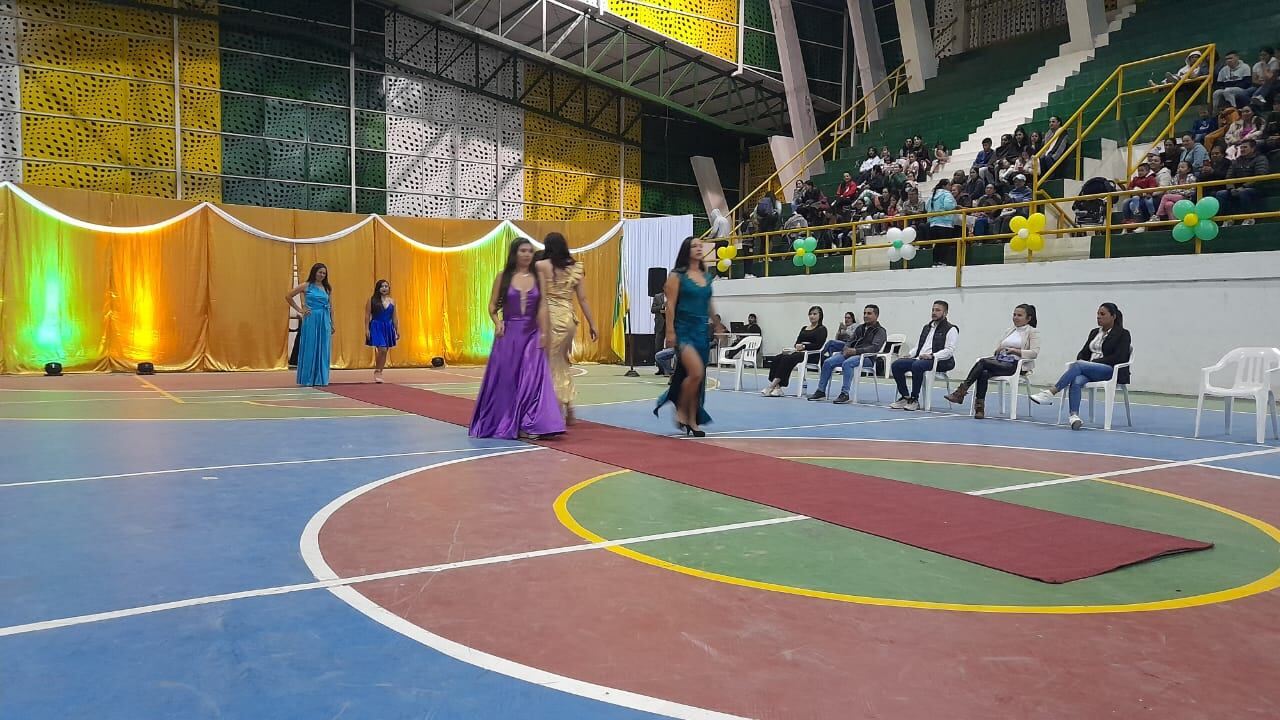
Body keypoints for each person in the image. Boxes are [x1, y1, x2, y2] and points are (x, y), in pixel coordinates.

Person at [469, 238, 564, 440]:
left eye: (530, 251)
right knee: (508, 380)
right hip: (509, 335)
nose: (527, 254)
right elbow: (492, 305)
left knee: (532, 378)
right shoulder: (503, 277)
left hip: (532, 332)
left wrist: (545, 332)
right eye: (523, 250)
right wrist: (497, 322)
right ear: (515, 253)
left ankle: (530, 423)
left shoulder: (538, 277)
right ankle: (509, 422)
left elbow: (543, 306)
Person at [1031, 303, 1133, 430]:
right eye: (1097, 314)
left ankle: (1051, 392)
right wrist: (1084, 362)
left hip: (1109, 370)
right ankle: (1074, 417)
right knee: (1076, 380)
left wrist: (1092, 363)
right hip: (1089, 369)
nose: (1098, 317)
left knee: (1079, 365)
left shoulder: (1123, 334)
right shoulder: (1095, 332)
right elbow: (1084, 352)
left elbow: (1120, 357)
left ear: (1113, 316)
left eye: (1102, 314)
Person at [655, 236, 716, 436]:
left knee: (698, 378)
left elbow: (709, 303)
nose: (699, 249)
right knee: (696, 372)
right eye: (694, 246)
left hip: (701, 331)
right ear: (686, 251)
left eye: (701, 246)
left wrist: (717, 323)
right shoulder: (677, 276)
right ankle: (681, 409)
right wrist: (670, 331)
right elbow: (670, 305)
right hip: (683, 330)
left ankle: (692, 418)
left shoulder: (706, 276)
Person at [536, 232, 598, 424]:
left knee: (551, 364)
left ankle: (556, 410)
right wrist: (593, 324)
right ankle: (569, 408)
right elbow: (583, 299)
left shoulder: (541, 266)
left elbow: (541, 298)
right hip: (569, 319)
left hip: (550, 319)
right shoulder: (576, 267)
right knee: (561, 362)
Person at [943, 304, 1041, 419]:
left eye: (1019, 315)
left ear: (1028, 318)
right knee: (983, 373)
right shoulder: (1009, 331)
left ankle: (960, 392)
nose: (1015, 317)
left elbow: (1034, 353)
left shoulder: (1032, 332)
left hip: (1015, 365)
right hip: (1001, 361)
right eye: (1014, 315)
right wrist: (998, 350)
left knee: (982, 362)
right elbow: (997, 350)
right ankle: (979, 409)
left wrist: (1015, 351)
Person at [808, 304, 888, 404]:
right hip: (852, 354)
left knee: (848, 363)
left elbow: (874, 347)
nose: (866, 315)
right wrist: (846, 348)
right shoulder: (860, 328)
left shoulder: (880, 331)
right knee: (828, 362)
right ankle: (820, 391)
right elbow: (850, 341)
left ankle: (844, 394)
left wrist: (856, 351)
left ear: (876, 315)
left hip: (867, 358)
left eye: (869, 313)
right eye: (864, 313)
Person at [889, 300, 958, 411]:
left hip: (940, 361)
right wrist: (910, 354)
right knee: (897, 365)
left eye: (938, 310)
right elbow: (919, 346)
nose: (934, 312)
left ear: (945, 313)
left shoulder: (951, 329)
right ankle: (905, 397)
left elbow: (949, 351)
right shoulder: (927, 327)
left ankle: (914, 399)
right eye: (933, 310)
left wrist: (932, 355)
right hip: (920, 359)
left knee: (917, 365)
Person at [760, 306, 827, 397]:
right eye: (810, 314)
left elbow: (818, 345)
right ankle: (778, 387)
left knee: (788, 359)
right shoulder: (804, 328)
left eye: (815, 314)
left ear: (820, 316)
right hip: (800, 352)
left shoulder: (822, 329)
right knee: (778, 358)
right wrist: (797, 346)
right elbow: (797, 342)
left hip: (812, 354)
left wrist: (804, 346)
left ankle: (771, 386)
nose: (812, 316)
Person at [286, 262, 333, 387]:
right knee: (310, 346)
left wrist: (331, 322)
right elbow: (288, 296)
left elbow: (330, 306)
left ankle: (320, 378)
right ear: (314, 272)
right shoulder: (306, 286)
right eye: (320, 272)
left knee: (323, 347)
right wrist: (300, 309)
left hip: (324, 319)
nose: (322, 275)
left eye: (324, 273)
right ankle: (308, 377)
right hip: (311, 319)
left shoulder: (327, 288)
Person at [364, 279, 397, 383]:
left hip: (388, 326)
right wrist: (366, 329)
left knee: (385, 351)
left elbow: (395, 317)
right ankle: (377, 371)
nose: (384, 288)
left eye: (386, 286)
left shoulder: (392, 301)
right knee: (382, 349)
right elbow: (367, 315)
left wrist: (397, 330)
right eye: (382, 286)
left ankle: (380, 371)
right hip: (376, 326)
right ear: (378, 288)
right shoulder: (372, 300)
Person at [651, 290, 668, 375]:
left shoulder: (674, 296)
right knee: (658, 347)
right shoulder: (657, 296)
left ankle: (668, 369)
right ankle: (660, 368)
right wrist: (661, 306)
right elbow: (652, 309)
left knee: (669, 349)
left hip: (670, 325)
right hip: (660, 325)